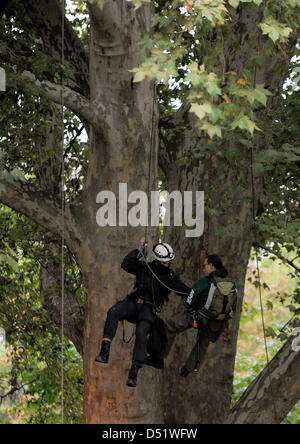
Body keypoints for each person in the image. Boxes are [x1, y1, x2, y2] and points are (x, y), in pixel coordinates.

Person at [94, 237, 190, 387]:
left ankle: (134, 371)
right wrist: (139, 251)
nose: (168, 264)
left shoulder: (170, 278)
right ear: (157, 259)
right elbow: (126, 264)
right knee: (114, 311)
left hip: (148, 310)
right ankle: (105, 350)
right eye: (165, 262)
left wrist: (199, 297)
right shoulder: (145, 267)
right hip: (134, 303)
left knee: (142, 331)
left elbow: (186, 291)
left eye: (168, 262)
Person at [149, 254, 237, 377]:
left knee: (170, 325)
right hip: (217, 323)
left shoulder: (203, 283)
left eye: (205, 265)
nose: (204, 268)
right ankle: (188, 369)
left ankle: (158, 357)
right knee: (202, 344)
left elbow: (188, 303)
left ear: (212, 266)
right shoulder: (230, 284)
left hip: (198, 317)